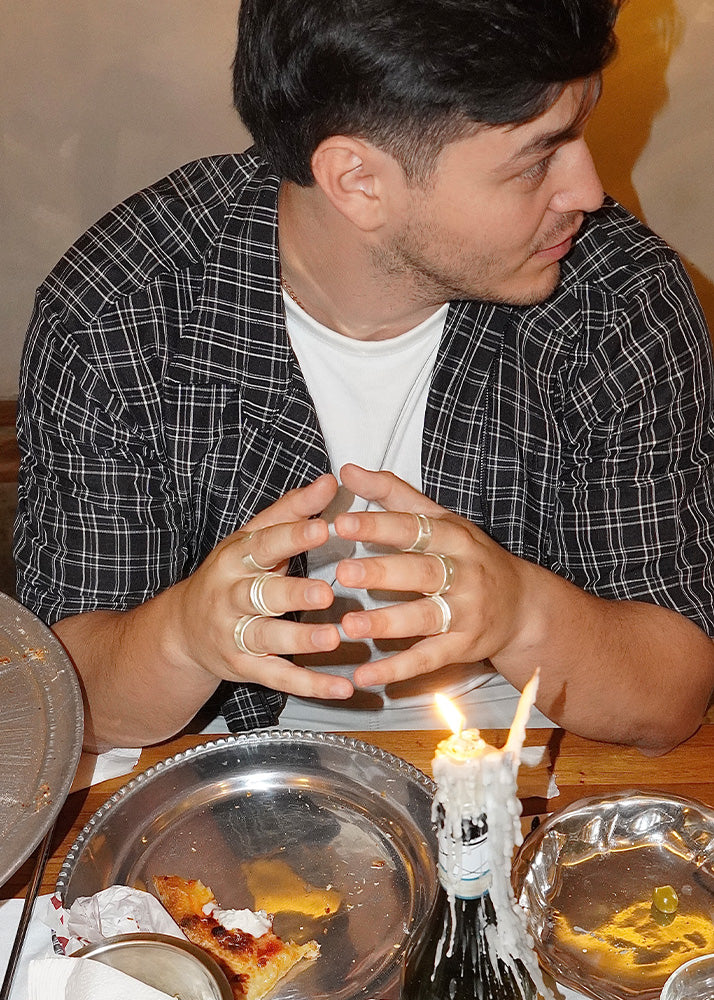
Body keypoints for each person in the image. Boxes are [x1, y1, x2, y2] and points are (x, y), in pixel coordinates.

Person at [14, 0, 714, 755]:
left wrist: (520, 613)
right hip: (220, 745)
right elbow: (70, 701)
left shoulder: (617, 299)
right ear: (358, 181)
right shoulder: (118, 312)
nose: (587, 190)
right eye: (538, 159)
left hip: (535, 732)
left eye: (581, 128)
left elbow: (670, 700)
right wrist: (184, 637)